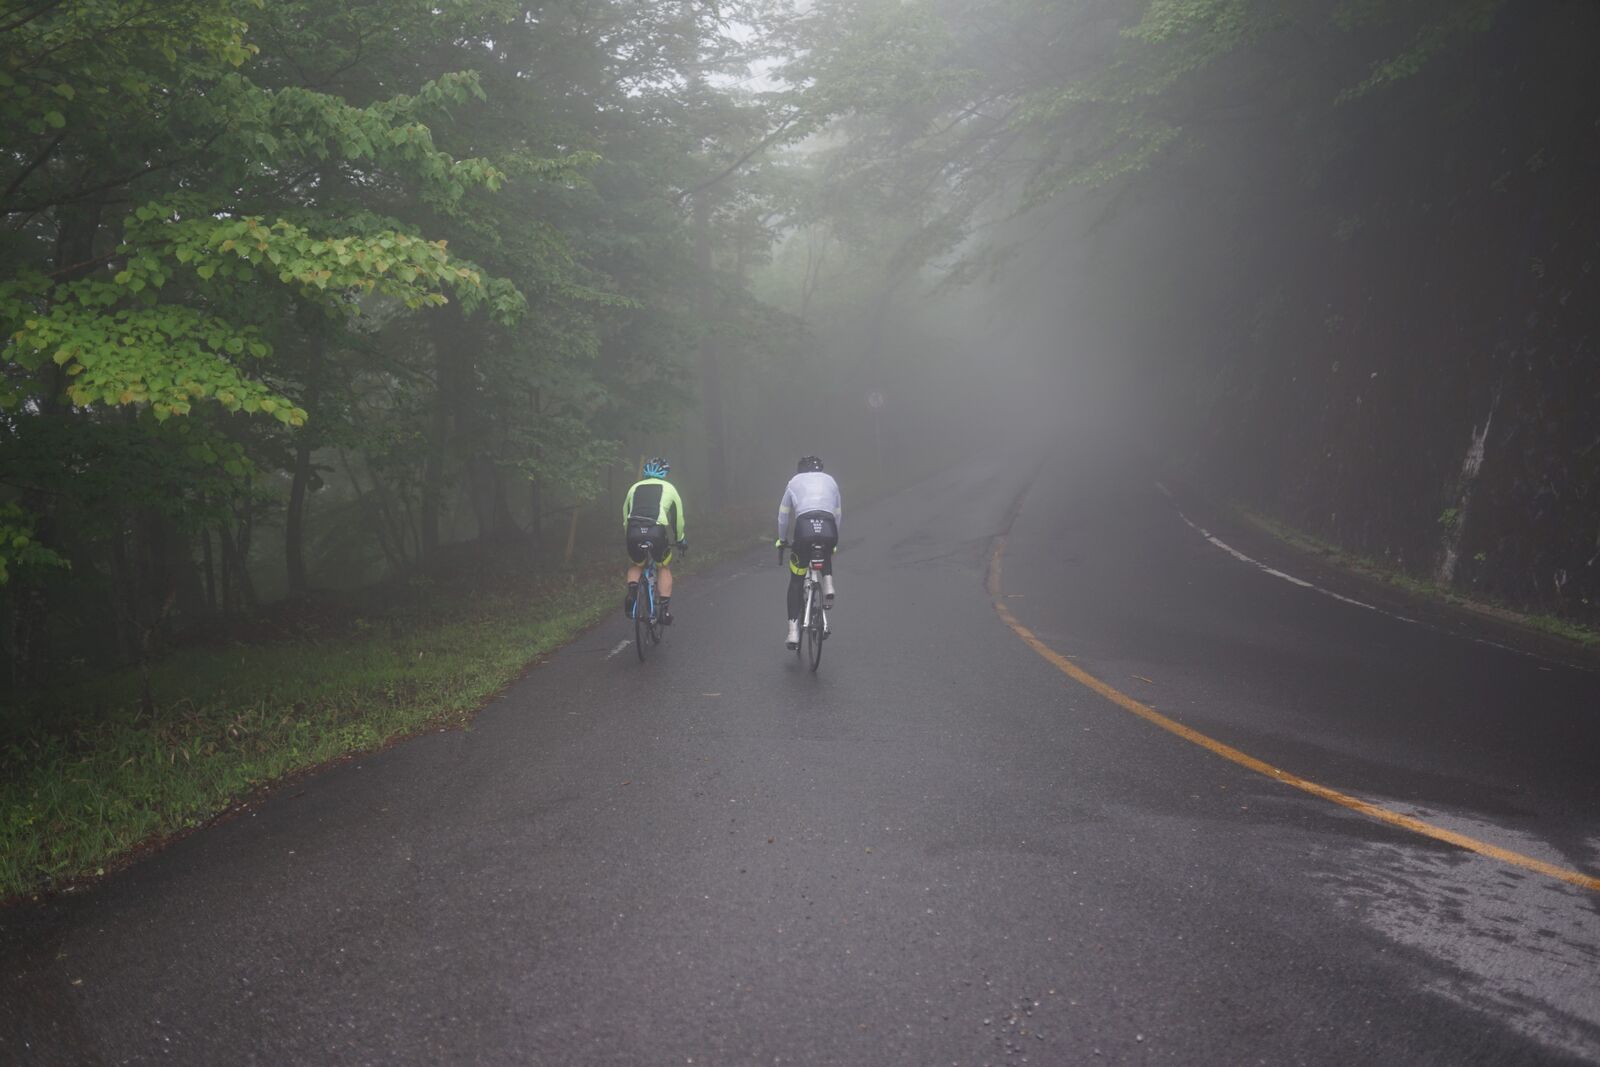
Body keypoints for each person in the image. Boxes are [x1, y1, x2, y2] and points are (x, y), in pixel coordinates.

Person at [776, 455, 841, 649]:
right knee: (825, 547)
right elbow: (838, 514)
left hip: (804, 529)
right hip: (829, 528)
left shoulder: (794, 482)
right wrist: (834, 541)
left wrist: (782, 539)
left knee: (796, 581)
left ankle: (793, 633)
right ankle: (828, 585)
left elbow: (783, 515)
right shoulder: (831, 481)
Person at [623, 457, 686, 624]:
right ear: (664, 473)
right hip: (656, 531)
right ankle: (663, 612)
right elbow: (678, 519)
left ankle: (632, 593)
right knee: (663, 566)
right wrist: (680, 540)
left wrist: (629, 537)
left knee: (637, 564)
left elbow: (625, 517)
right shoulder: (670, 488)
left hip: (633, 531)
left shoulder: (633, 488)